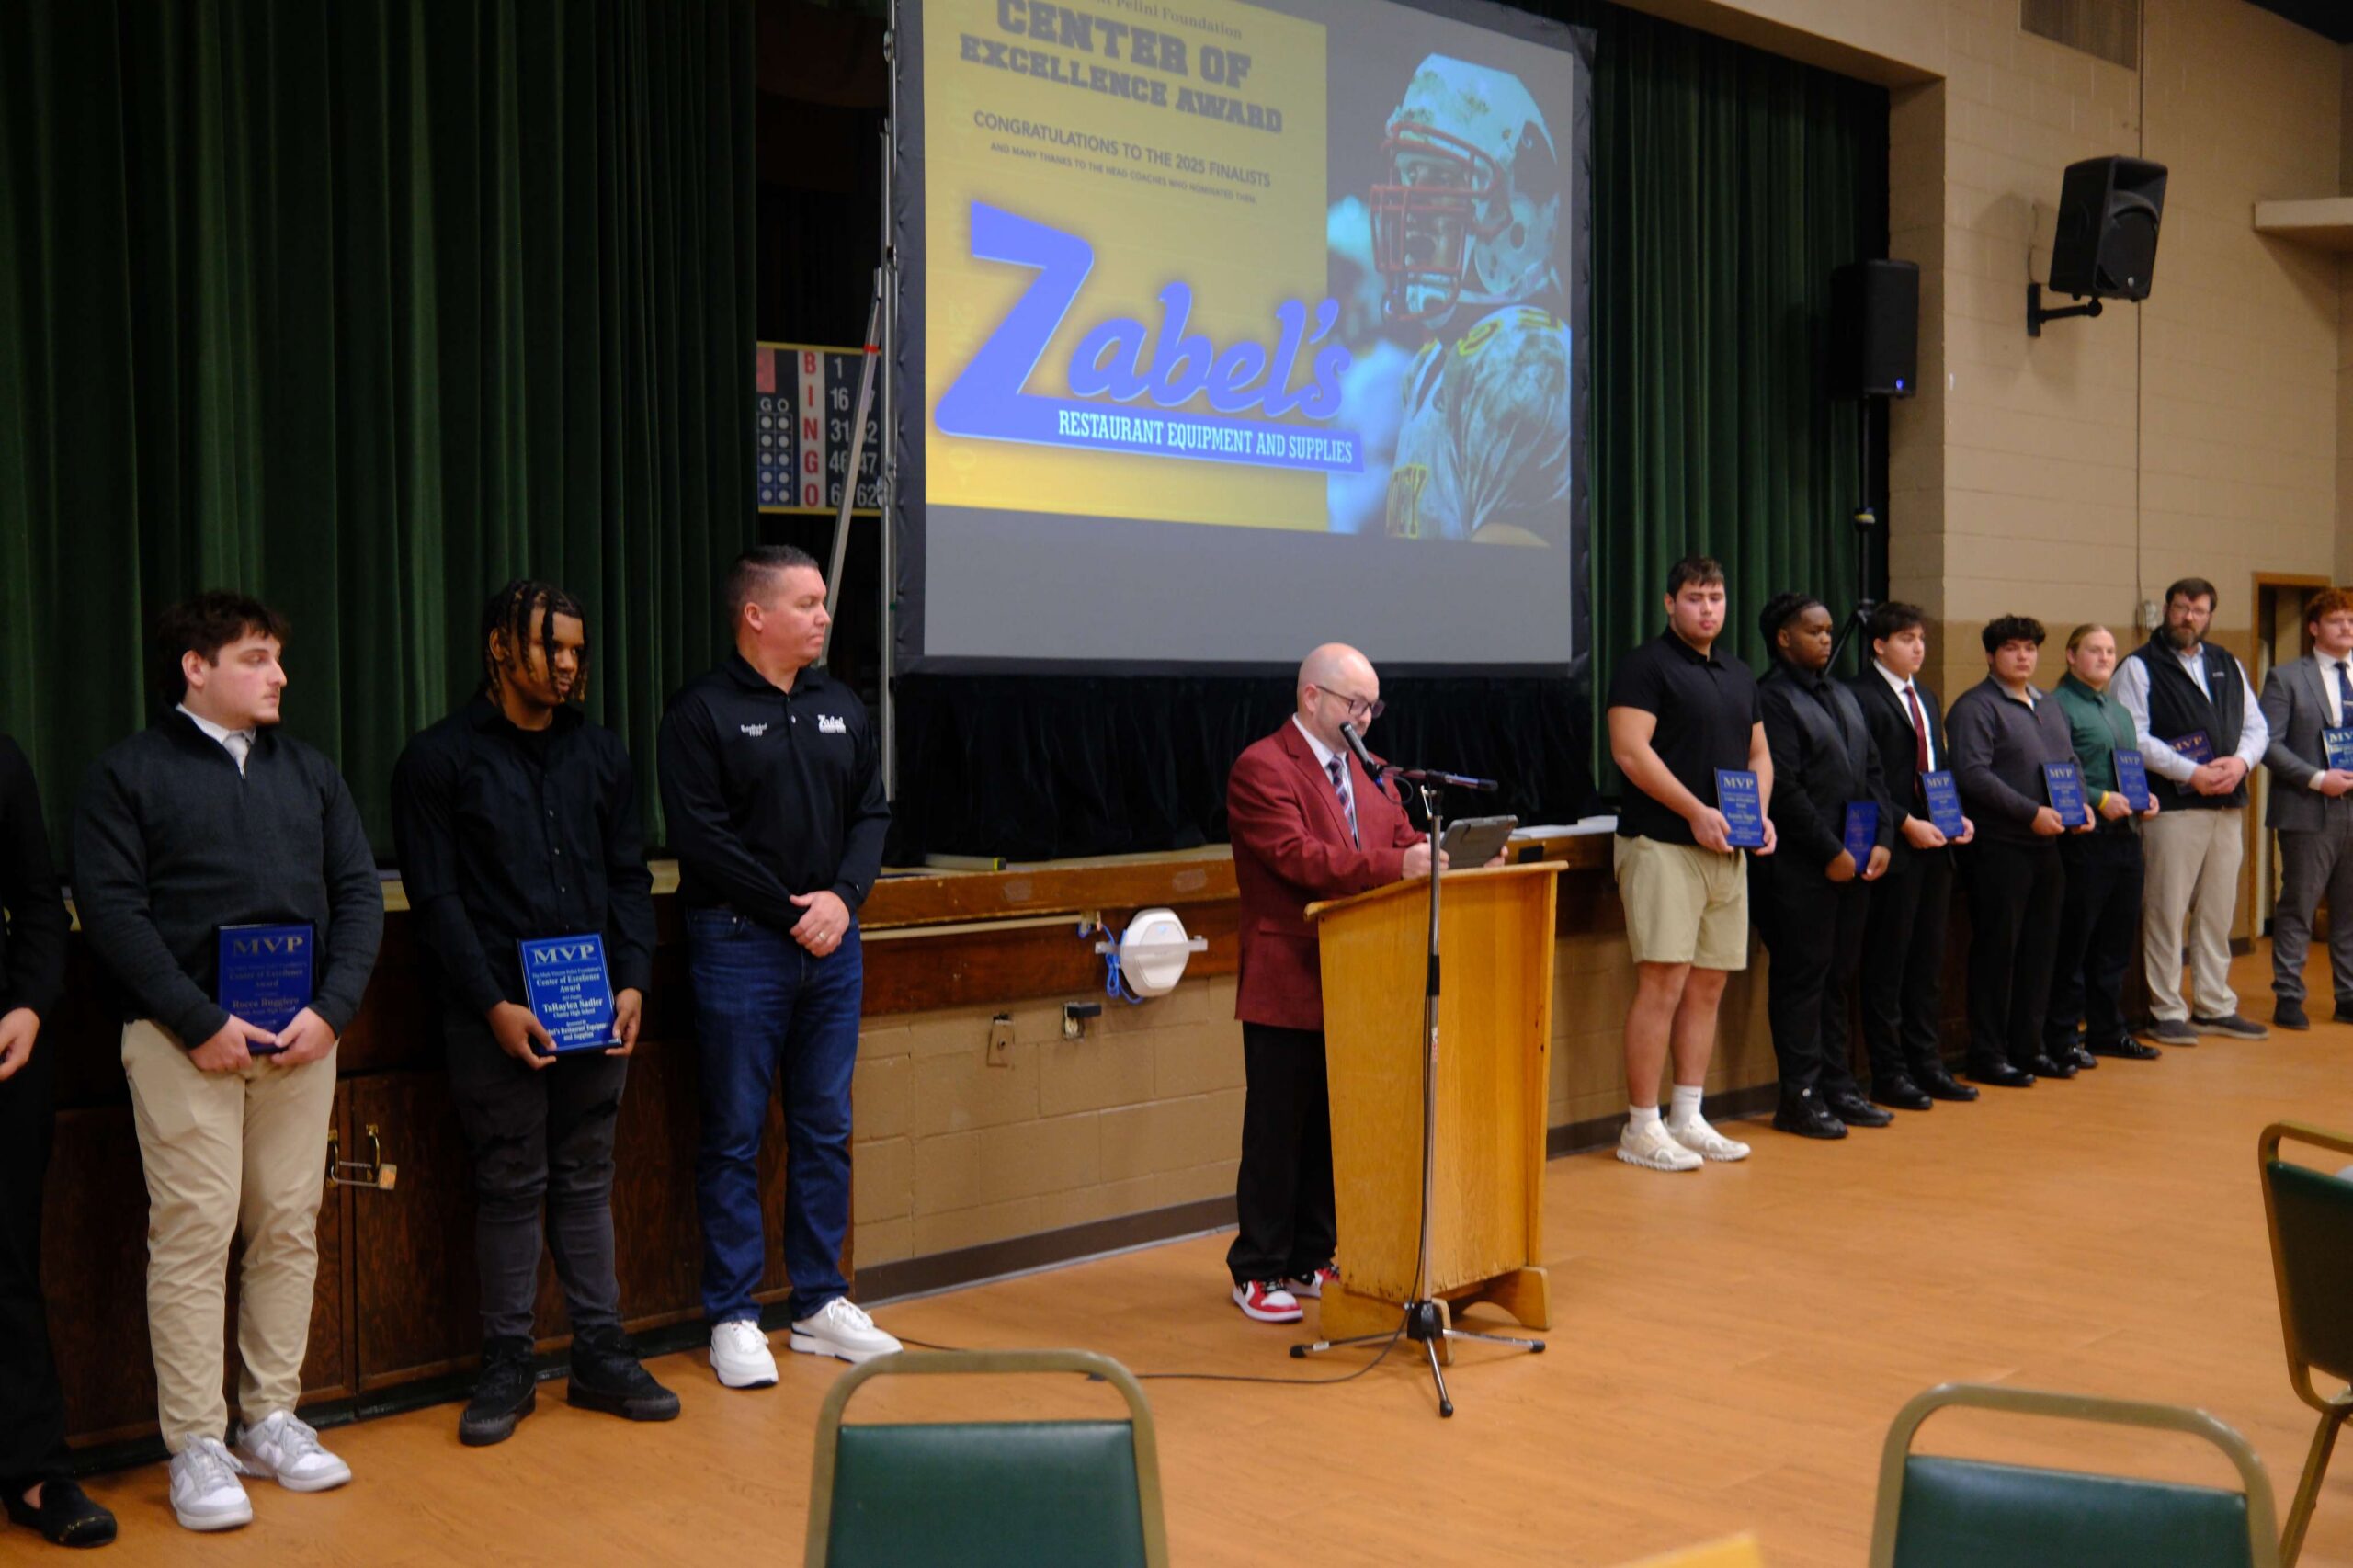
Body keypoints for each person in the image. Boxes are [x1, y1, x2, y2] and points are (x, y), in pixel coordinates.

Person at [72, 592, 382, 1531]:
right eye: (256, 657)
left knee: (288, 1224)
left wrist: (331, 1010)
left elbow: (358, 895)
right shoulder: (126, 773)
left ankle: (271, 1418)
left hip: (300, 1043)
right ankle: (197, 1444)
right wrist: (198, 1018)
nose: (279, 674)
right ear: (195, 668)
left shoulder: (312, 773)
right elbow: (113, 913)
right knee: (196, 1231)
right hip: (182, 1044)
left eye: (278, 657)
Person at [391, 581, 675, 1446]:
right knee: (509, 1183)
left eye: (577, 651)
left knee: (588, 1177)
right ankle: (508, 1362)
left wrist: (633, 981)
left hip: (594, 1006)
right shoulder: (438, 760)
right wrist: (492, 1005)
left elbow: (628, 877)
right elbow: (436, 901)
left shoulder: (601, 754)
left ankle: (600, 1352)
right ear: (499, 648)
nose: (567, 665)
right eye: (551, 647)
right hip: (495, 1015)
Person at [658, 545, 897, 1382]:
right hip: (739, 944)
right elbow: (702, 839)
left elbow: (872, 813)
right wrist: (794, 912)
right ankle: (732, 1314)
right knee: (734, 1133)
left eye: (823, 602)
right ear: (755, 616)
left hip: (833, 946)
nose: (824, 616)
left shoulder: (841, 705)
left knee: (825, 1128)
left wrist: (843, 898)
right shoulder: (702, 712)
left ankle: (819, 1301)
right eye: (807, 603)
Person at [1224, 643, 1435, 1324]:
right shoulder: (1263, 767)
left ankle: (1312, 1256)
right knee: (1278, 1130)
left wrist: (1442, 854)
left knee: (1330, 1125)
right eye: (1354, 704)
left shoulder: (1371, 773)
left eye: (1373, 706)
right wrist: (1398, 866)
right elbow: (1299, 858)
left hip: (1357, 974)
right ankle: (1258, 1268)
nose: (1365, 718)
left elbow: (1400, 838)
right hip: (1288, 973)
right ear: (1311, 697)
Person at [1605, 556, 1770, 1172]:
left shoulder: (1738, 672)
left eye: (1717, 598)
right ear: (1670, 603)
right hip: (1663, 844)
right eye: (1696, 597)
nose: (1708, 608)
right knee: (1664, 983)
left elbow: (1759, 754)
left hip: (1726, 851)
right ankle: (1641, 1126)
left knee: (1709, 984)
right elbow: (1630, 752)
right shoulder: (1645, 666)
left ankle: (1687, 1115)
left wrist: (1759, 814)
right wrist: (1696, 810)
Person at [0, 735, 115, 1549]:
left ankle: (36, 1471)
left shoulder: (2, 760)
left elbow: (41, 908)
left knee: (7, 1265)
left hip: (4, 1054)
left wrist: (29, 1006)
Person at [1751, 594, 1893, 1139]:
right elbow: (1784, 789)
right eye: (1814, 631)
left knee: (1839, 978)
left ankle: (1839, 1085)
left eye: (1830, 629)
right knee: (1802, 980)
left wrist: (1882, 839)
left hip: (1854, 861)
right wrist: (1830, 852)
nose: (1827, 638)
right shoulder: (1772, 698)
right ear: (1784, 638)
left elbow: (1874, 771)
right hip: (1800, 868)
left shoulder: (1843, 693)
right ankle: (1799, 1096)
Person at [2112, 578, 2271, 1043]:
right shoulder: (2139, 666)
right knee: (2166, 909)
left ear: (2209, 616)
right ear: (2167, 609)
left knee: (2218, 911)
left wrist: (2241, 763)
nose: (2189, 617)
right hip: (2173, 808)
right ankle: (2166, 1010)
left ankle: (2214, 1003)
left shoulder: (2228, 663)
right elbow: (2134, 736)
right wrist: (2191, 772)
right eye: (2182, 608)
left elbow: (2257, 727)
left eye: (2198, 610)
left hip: (2226, 803)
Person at [1847, 603, 1978, 1108]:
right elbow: (1867, 775)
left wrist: (1954, 816)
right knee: (1889, 963)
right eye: (1906, 638)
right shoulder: (1860, 696)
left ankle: (1927, 1063)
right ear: (1879, 645)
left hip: (1935, 847)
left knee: (1927, 962)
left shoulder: (1925, 695)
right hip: (1893, 844)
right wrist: (1905, 823)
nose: (1918, 647)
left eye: (1921, 638)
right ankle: (1888, 1071)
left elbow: (1936, 767)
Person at [1946, 615, 2085, 1088]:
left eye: (2030, 648)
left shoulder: (2049, 704)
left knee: (2041, 951)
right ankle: (1988, 1053)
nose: (2023, 656)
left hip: (2048, 846)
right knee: (1997, 952)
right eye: (2011, 648)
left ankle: (2029, 1048)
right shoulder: (1975, 707)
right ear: (1991, 656)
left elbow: (2070, 762)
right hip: (2000, 848)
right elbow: (1973, 774)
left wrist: (2079, 806)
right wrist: (2030, 813)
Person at [2046, 625, 2164, 1065]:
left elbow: (2128, 768)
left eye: (2110, 651)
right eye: (2094, 650)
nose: (2104, 658)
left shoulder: (2116, 709)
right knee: (2076, 941)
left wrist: (2143, 797)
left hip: (2125, 838)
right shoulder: (2057, 706)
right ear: (2071, 656)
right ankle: (2062, 1034)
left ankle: (2107, 1030)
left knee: (2115, 943)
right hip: (2085, 839)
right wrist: (2098, 799)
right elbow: (2056, 770)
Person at [2256, 585, 2353, 1029]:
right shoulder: (2287, 678)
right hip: (2308, 805)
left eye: (2350, 621)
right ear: (2314, 628)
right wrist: (2317, 778)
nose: (2346, 627)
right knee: (2299, 904)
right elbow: (2268, 744)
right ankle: (2289, 995)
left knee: (2349, 908)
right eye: (2336, 621)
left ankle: (2348, 995)